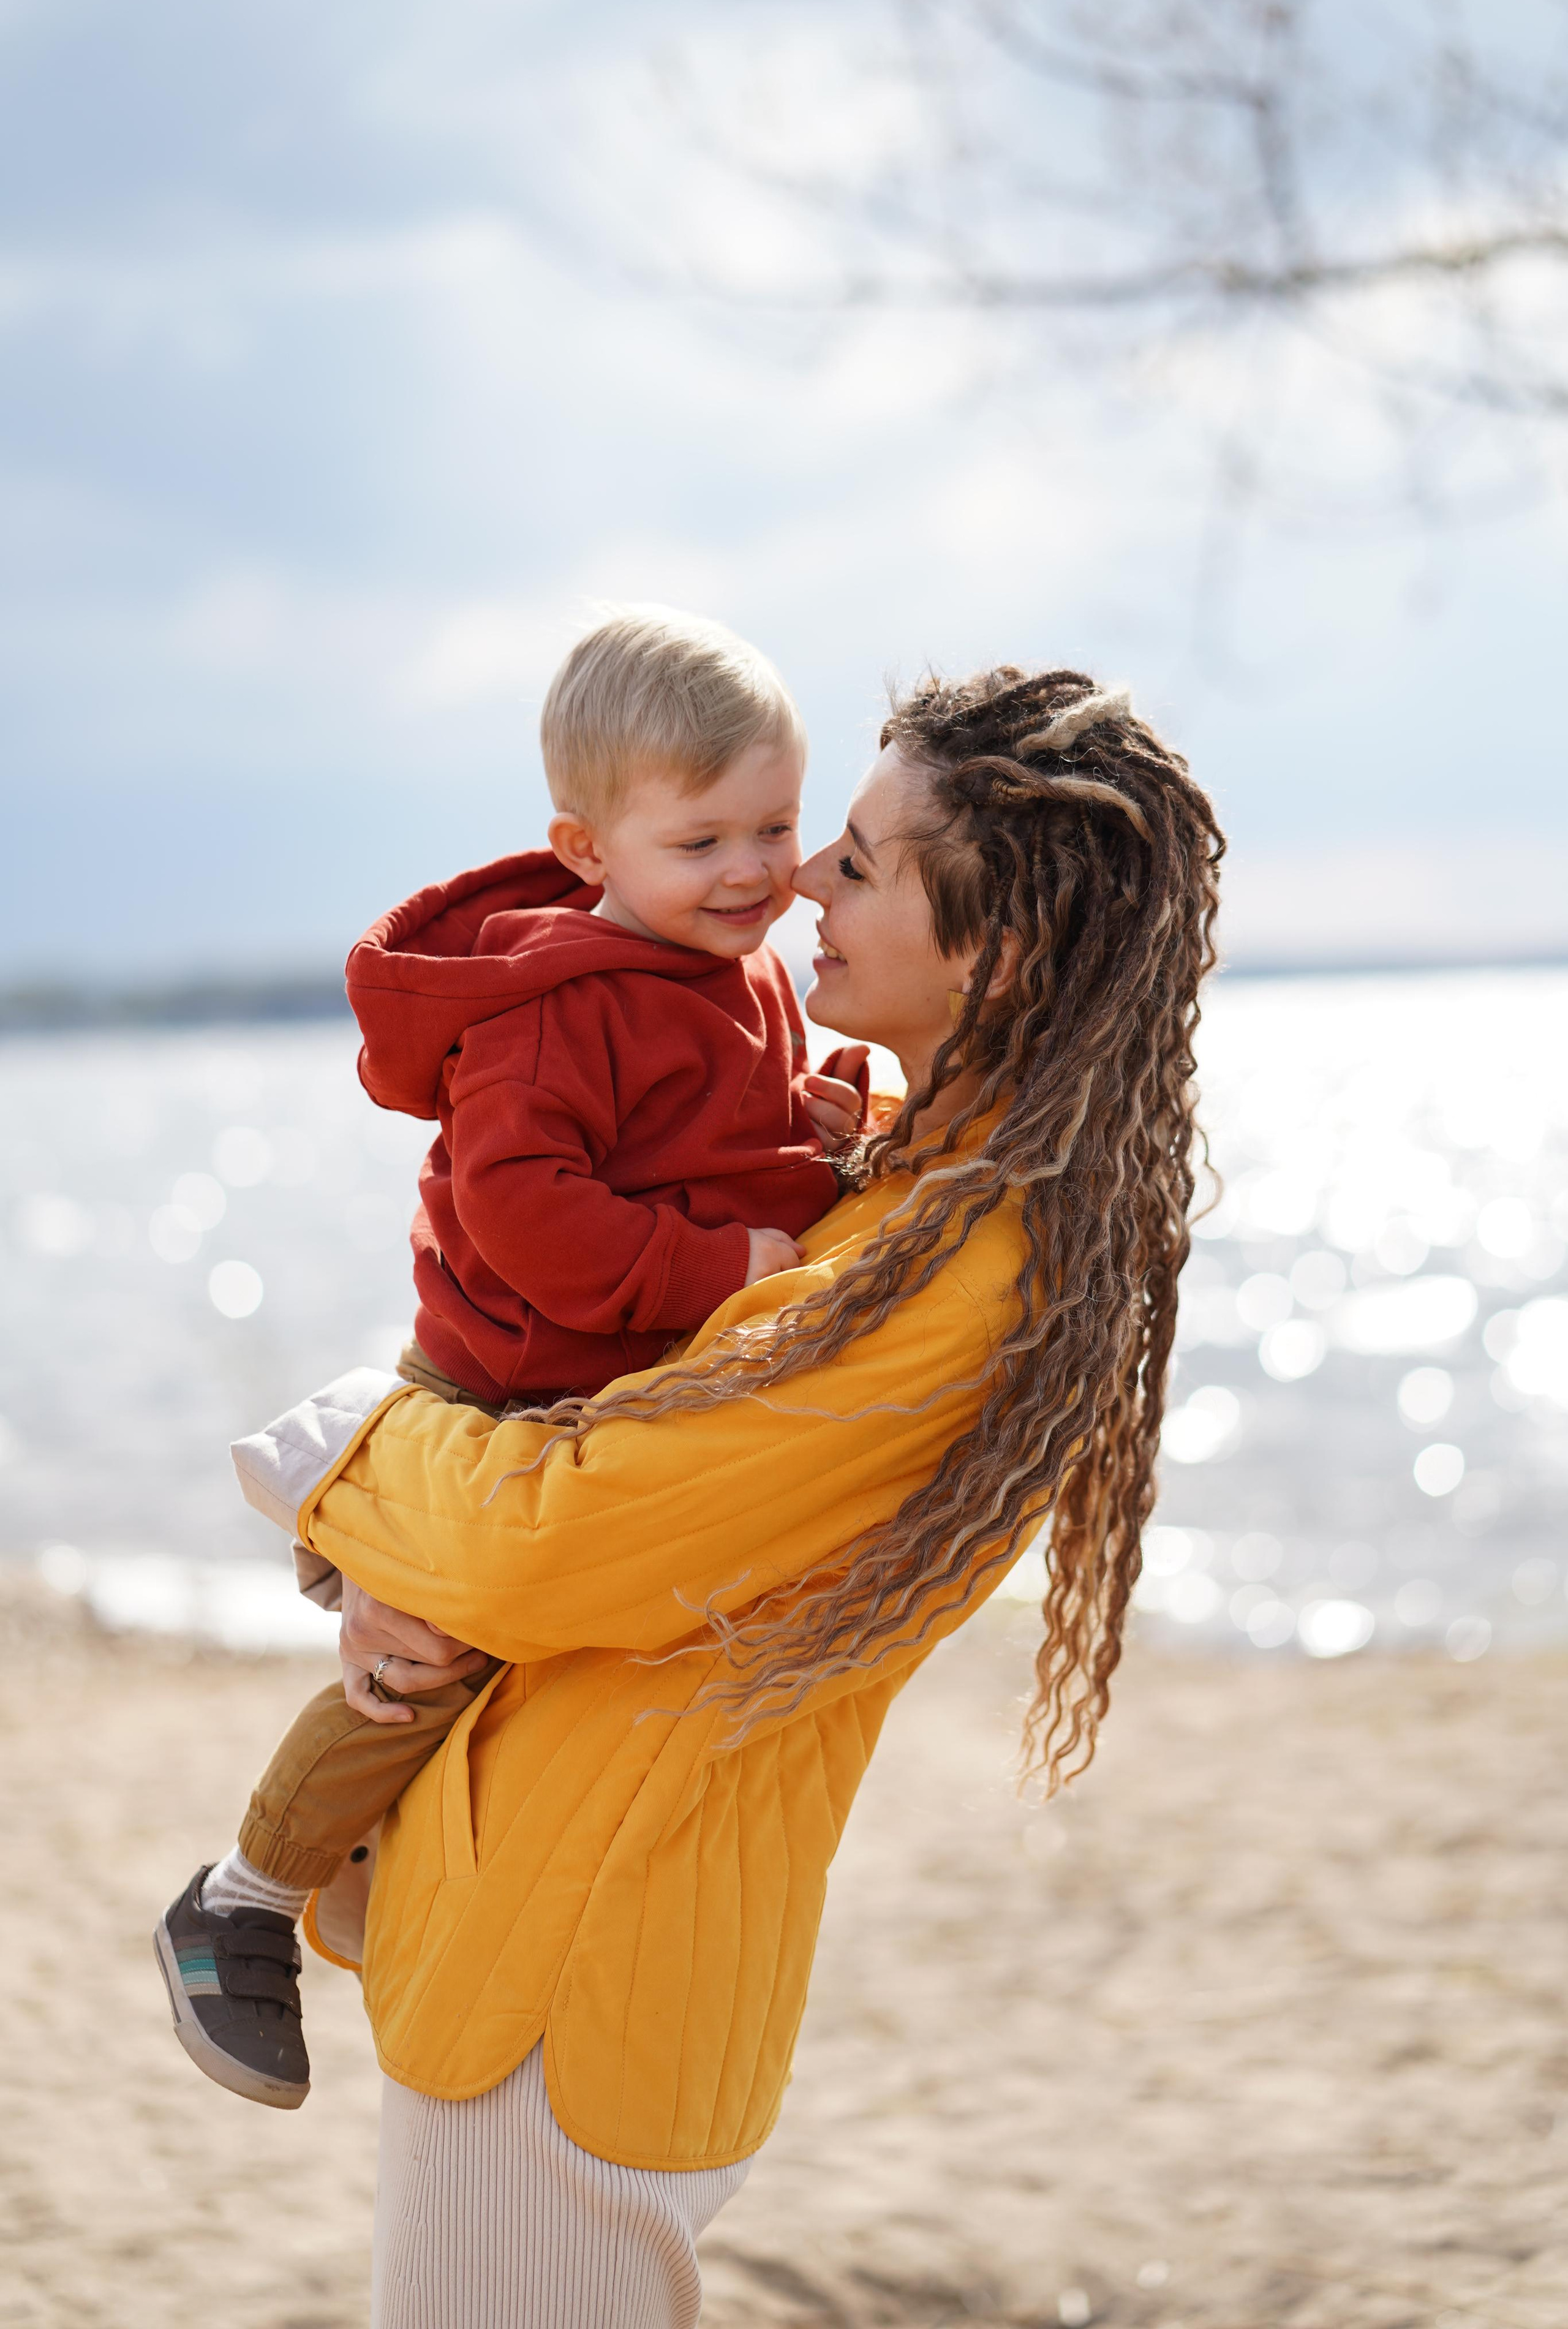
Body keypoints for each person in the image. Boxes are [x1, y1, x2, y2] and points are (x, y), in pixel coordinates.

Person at [225, 666, 1223, 2329]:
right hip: (554, 1935)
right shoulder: (888, 1175)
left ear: (1002, 951)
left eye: (861, 859)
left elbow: (554, 1542)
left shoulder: (952, 1270)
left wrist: (335, 1451)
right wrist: (406, 1571)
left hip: (581, 1988)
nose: (799, 885)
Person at [155, 608, 868, 2108]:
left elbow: (739, 1116)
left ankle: (364, 1859)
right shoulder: (554, 1010)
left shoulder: (731, 971)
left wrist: (829, 1117)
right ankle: (242, 1899)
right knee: (424, 1660)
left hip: (593, 1402)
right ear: (587, 846)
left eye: (777, 828)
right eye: (702, 842)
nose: (751, 872)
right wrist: (714, 1266)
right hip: (498, 1395)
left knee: (526, 1684)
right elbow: (523, 1211)